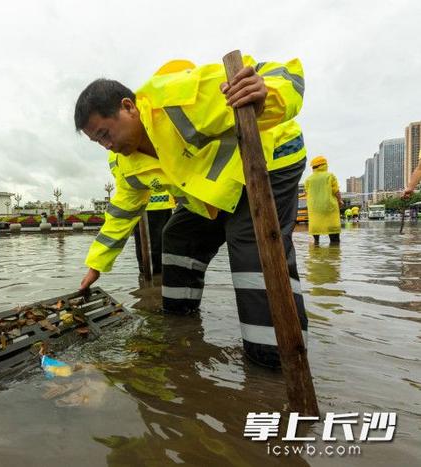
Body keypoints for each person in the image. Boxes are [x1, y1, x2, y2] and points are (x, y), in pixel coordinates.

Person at [74, 55, 308, 368]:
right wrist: (96, 265)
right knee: (178, 234)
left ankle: (274, 360)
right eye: (96, 141)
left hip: (269, 159)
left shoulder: (176, 98)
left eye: (104, 133)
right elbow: (122, 210)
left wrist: (267, 91)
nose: (105, 145)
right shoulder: (124, 161)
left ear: (128, 107)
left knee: (250, 244)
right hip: (214, 192)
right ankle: (179, 325)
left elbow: (280, 70)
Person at [108, 151, 174, 274]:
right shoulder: (123, 143)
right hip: (154, 203)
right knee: (157, 248)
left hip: (144, 203)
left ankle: (149, 281)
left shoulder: (115, 148)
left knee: (149, 248)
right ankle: (155, 280)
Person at [303, 156, 342, 245]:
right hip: (329, 208)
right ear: (324, 165)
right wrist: (340, 200)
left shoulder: (308, 179)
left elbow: (306, 194)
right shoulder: (330, 176)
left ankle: (316, 254)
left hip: (315, 209)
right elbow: (336, 190)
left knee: (316, 239)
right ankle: (334, 255)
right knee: (334, 239)